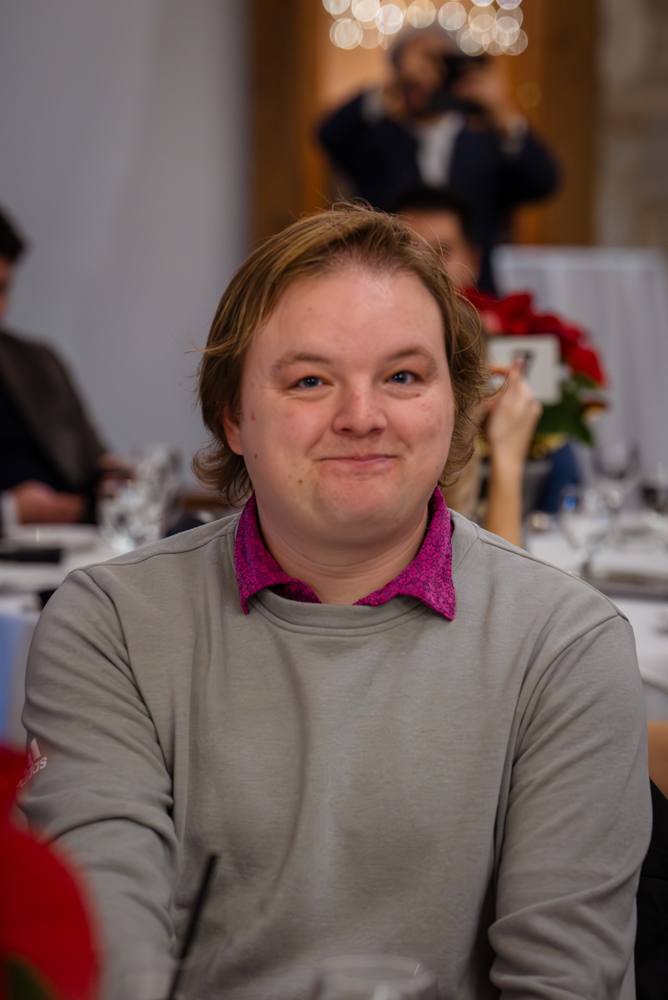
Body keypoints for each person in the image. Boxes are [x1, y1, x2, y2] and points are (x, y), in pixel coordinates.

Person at [22, 206, 650, 1000]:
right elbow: (106, 966)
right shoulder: (110, 627)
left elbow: (562, 985)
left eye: (403, 377)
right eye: (310, 381)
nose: (362, 417)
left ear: (455, 402)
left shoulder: (564, 644)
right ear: (233, 416)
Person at [393, 185, 582, 527]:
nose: (425, 270)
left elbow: (563, 495)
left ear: (474, 260)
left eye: (441, 252)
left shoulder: (511, 344)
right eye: (408, 254)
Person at [318, 29, 559, 292]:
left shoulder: (484, 141)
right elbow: (328, 135)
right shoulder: (375, 141)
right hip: (387, 286)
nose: (426, 73)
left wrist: (502, 113)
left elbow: (543, 181)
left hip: (473, 292)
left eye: (439, 61)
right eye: (418, 62)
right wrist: (392, 86)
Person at [0, 206, 114, 531]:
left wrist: (113, 480)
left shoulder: (38, 363)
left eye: (3, 289)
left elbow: (94, 462)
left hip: (80, 540)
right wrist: (10, 511)